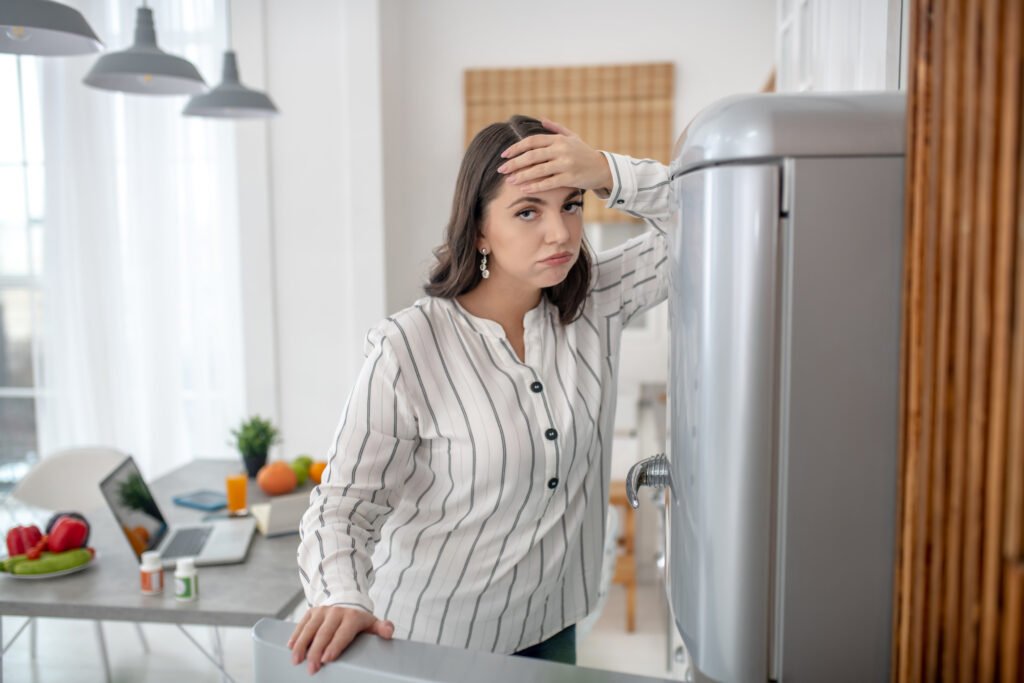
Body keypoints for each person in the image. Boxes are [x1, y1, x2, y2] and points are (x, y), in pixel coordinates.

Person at [289, 115, 675, 674]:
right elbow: (343, 508)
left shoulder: (598, 304)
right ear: (477, 230)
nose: (561, 233)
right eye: (527, 212)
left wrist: (606, 172)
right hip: (430, 645)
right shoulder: (407, 347)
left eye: (570, 204)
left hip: (552, 629)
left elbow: (717, 219)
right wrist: (342, 595)